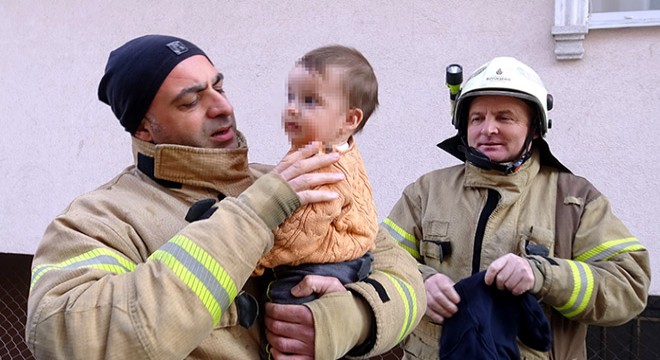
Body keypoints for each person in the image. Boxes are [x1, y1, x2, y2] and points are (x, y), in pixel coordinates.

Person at [26, 34, 425, 360]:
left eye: (219, 86)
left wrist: (353, 317)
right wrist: (253, 215)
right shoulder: (97, 218)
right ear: (145, 128)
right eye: (190, 100)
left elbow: (405, 278)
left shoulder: (288, 177)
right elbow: (63, 339)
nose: (222, 106)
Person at [381, 56, 650, 359]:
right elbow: (379, 259)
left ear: (535, 128)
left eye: (505, 118)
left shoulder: (574, 200)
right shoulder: (426, 191)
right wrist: (420, 284)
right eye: (477, 118)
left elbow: (629, 286)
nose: (488, 129)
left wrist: (544, 276)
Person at [254, 45, 379, 309]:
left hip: (327, 264)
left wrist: (256, 261)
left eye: (310, 101)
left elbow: (300, 235)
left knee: (284, 299)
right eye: (291, 97)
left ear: (349, 118)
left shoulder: (322, 168)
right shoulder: (343, 150)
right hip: (353, 254)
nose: (292, 109)